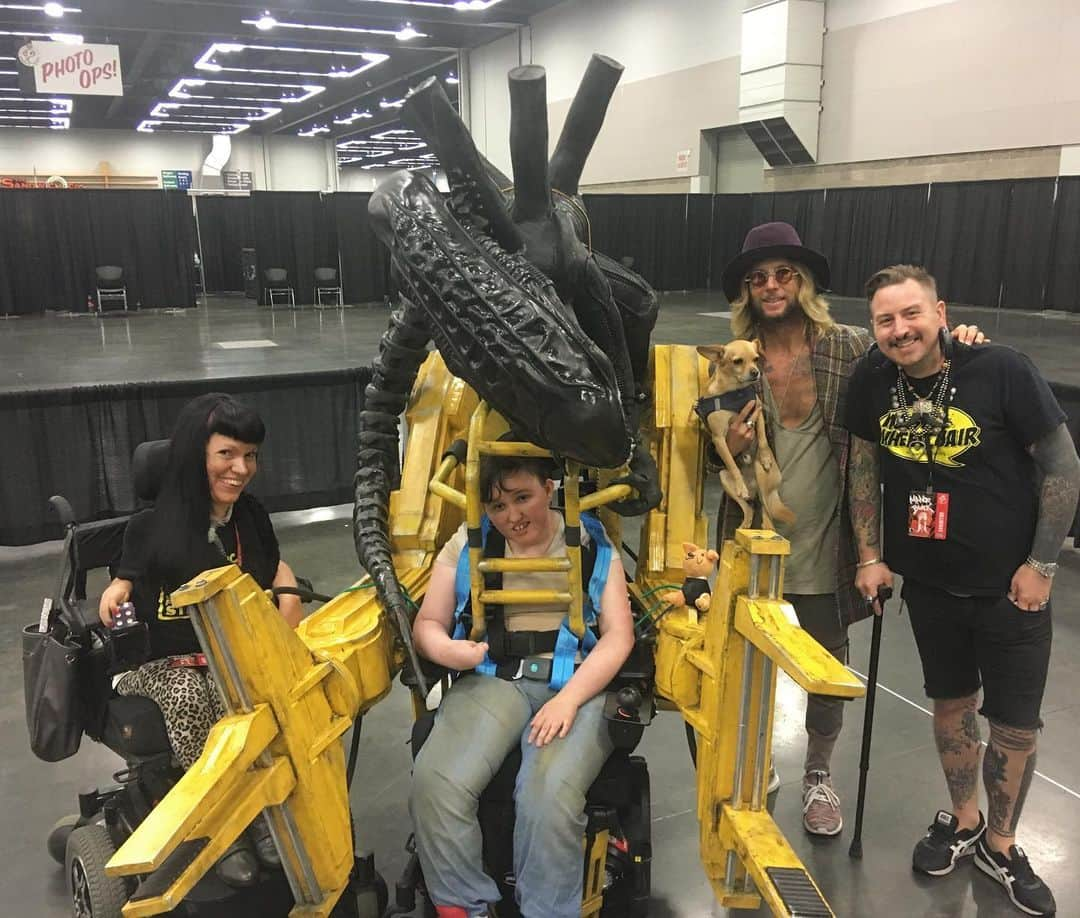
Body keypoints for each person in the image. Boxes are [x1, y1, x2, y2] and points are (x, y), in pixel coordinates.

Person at [718, 222, 982, 837]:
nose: (771, 286)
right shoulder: (734, 359)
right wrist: (723, 446)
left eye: (784, 273)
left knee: (828, 671)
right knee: (746, 665)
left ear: (803, 282)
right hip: (752, 541)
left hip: (828, 542)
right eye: (758, 278)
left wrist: (959, 341)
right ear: (747, 292)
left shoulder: (851, 347)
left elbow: (919, 366)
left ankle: (817, 774)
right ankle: (756, 765)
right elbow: (709, 448)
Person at [845, 264, 1080, 917]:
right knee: (951, 706)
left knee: (1014, 724)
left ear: (940, 310)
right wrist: (870, 554)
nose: (900, 329)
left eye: (912, 313)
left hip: (1010, 587)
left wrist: (1043, 564)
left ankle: (1001, 846)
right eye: (886, 319)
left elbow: (1064, 464)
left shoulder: (1001, 369)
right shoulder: (871, 379)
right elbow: (864, 463)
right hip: (928, 584)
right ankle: (965, 819)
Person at [409, 453, 634, 918]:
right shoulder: (469, 541)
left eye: (522, 498)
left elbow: (618, 636)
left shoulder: (589, 541)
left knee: (546, 794)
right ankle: (463, 907)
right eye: (497, 506)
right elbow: (427, 623)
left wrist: (570, 700)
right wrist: (451, 652)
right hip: (496, 676)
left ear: (550, 488)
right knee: (436, 781)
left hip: (578, 681)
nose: (512, 516)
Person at [98, 392, 303, 886]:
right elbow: (119, 595)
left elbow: (275, 567)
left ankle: (258, 811)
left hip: (229, 657)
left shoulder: (249, 517)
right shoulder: (152, 526)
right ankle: (220, 824)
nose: (241, 468)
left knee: (267, 696)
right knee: (197, 694)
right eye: (226, 454)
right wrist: (117, 595)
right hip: (157, 665)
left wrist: (288, 598)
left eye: (250, 455)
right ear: (196, 455)